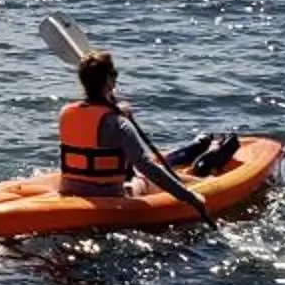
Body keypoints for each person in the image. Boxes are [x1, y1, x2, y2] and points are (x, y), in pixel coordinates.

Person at [58, 50, 220, 212]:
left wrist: (114, 109)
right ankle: (197, 182)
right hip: (109, 195)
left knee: (134, 169)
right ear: (108, 80)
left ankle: (193, 168)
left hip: (70, 189)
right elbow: (145, 166)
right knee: (143, 178)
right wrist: (190, 198)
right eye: (114, 74)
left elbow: (92, 119)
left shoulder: (65, 113)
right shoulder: (118, 123)